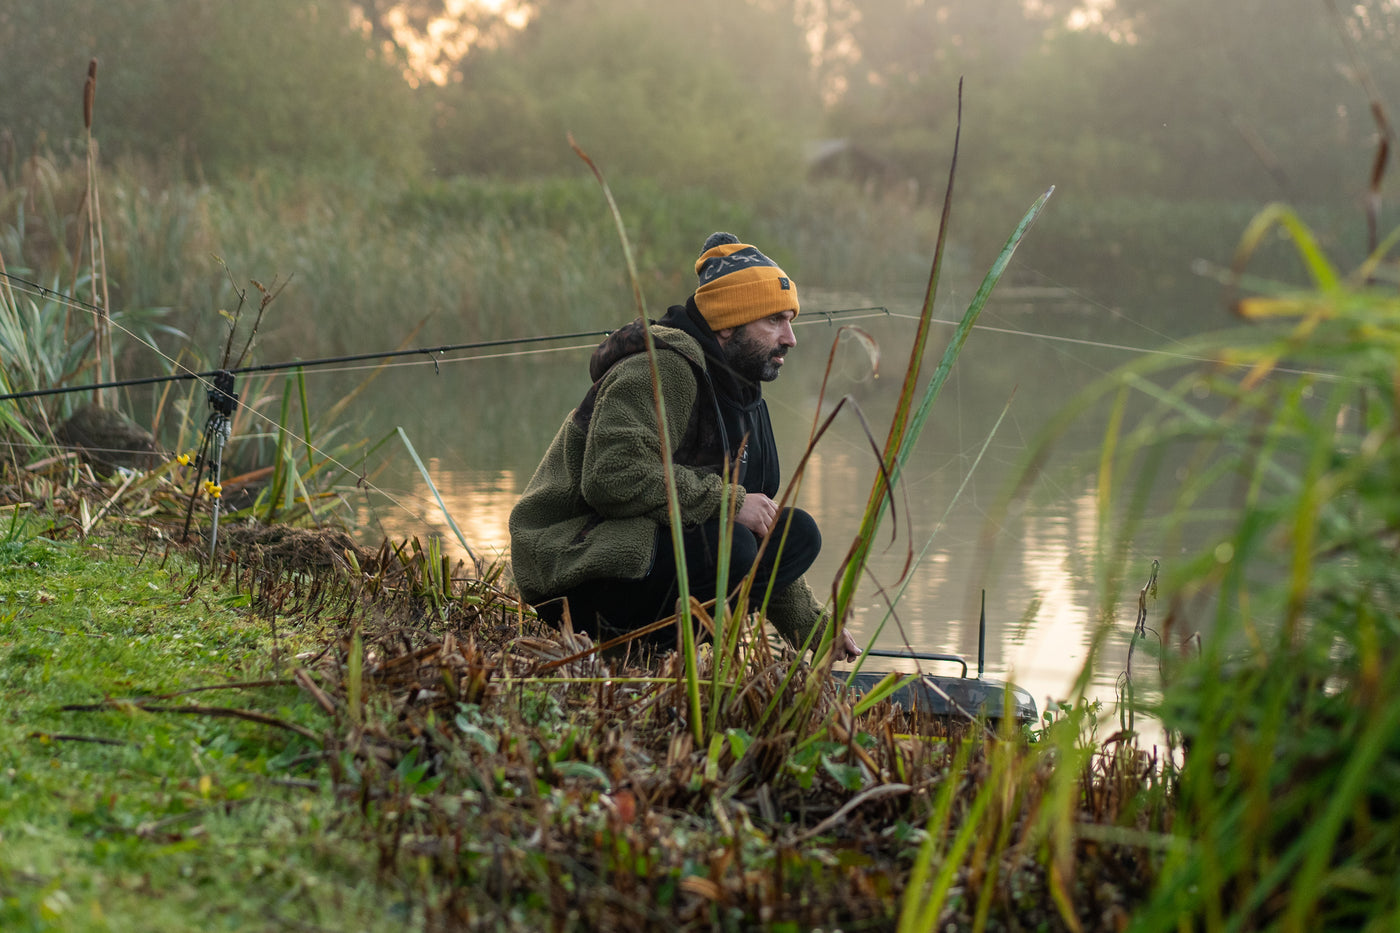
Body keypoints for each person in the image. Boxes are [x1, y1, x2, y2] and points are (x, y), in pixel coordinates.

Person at [508, 232, 860, 661]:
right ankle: (637, 649)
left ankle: (663, 651)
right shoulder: (661, 370)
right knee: (735, 543)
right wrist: (731, 503)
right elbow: (612, 476)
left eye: (790, 320)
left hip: (643, 556)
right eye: (774, 321)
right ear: (728, 324)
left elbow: (756, 522)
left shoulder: (743, 393)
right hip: (572, 571)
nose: (791, 338)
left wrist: (816, 630)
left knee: (796, 534)